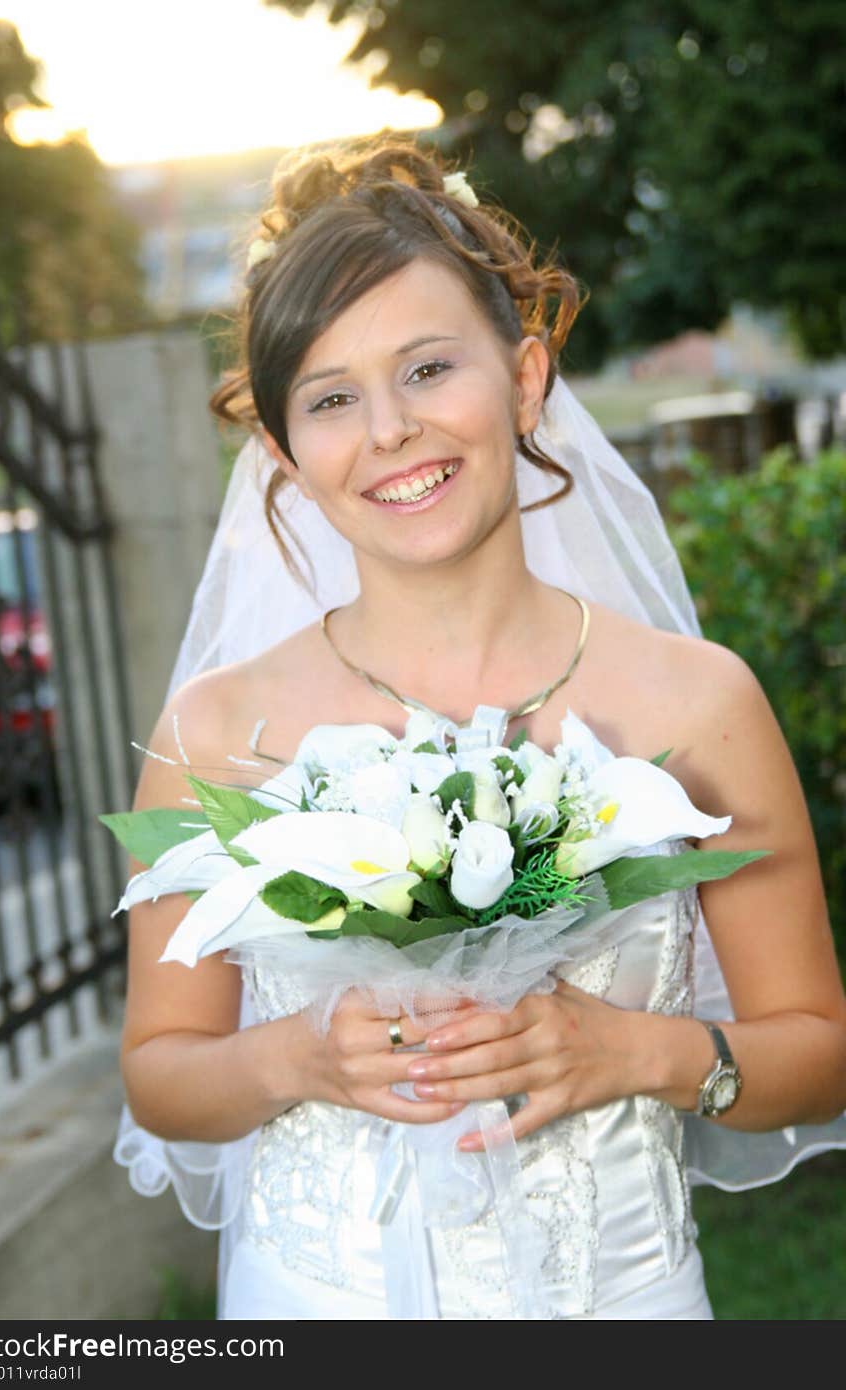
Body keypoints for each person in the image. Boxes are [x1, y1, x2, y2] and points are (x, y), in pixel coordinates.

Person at [115, 136, 846, 1320]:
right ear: (284, 455)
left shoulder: (696, 702)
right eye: (333, 398)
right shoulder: (214, 727)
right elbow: (160, 1074)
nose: (391, 430)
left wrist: (634, 1053)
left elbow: (814, 1048)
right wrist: (299, 1057)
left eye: (427, 368)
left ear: (524, 378)